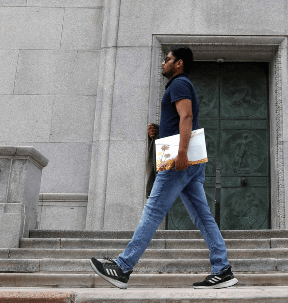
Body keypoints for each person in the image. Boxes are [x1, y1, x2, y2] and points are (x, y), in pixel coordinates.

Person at [90, 47, 238, 290]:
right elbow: (181, 119)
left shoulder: (179, 84)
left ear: (178, 63)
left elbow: (187, 117)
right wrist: (161, 130)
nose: (163, 62)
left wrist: (180, 153)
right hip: (188, 160)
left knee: (152, 212)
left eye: (167, 59)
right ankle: (222, 269)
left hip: (177, 161)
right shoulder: (180, 85)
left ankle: (122, 267)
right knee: (203, 217)